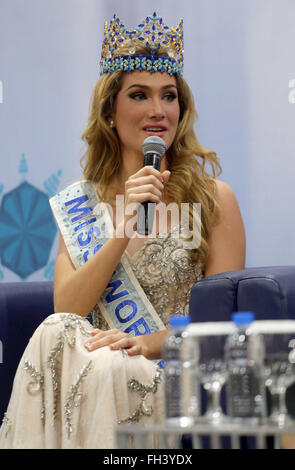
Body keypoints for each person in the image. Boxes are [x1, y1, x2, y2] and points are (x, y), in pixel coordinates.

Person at [0, 12, 245, 449]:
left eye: (169, 97)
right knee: (55, 333)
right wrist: (122, 228)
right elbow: (68, 308)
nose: (157, 111)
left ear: (181, 110)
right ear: (110, 112)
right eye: (139, 95)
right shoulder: (82, 203)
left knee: (110, 365)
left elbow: (217, 328)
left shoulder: (213, 200)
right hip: (93, 373)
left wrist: (144, 343)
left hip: (170, 371)